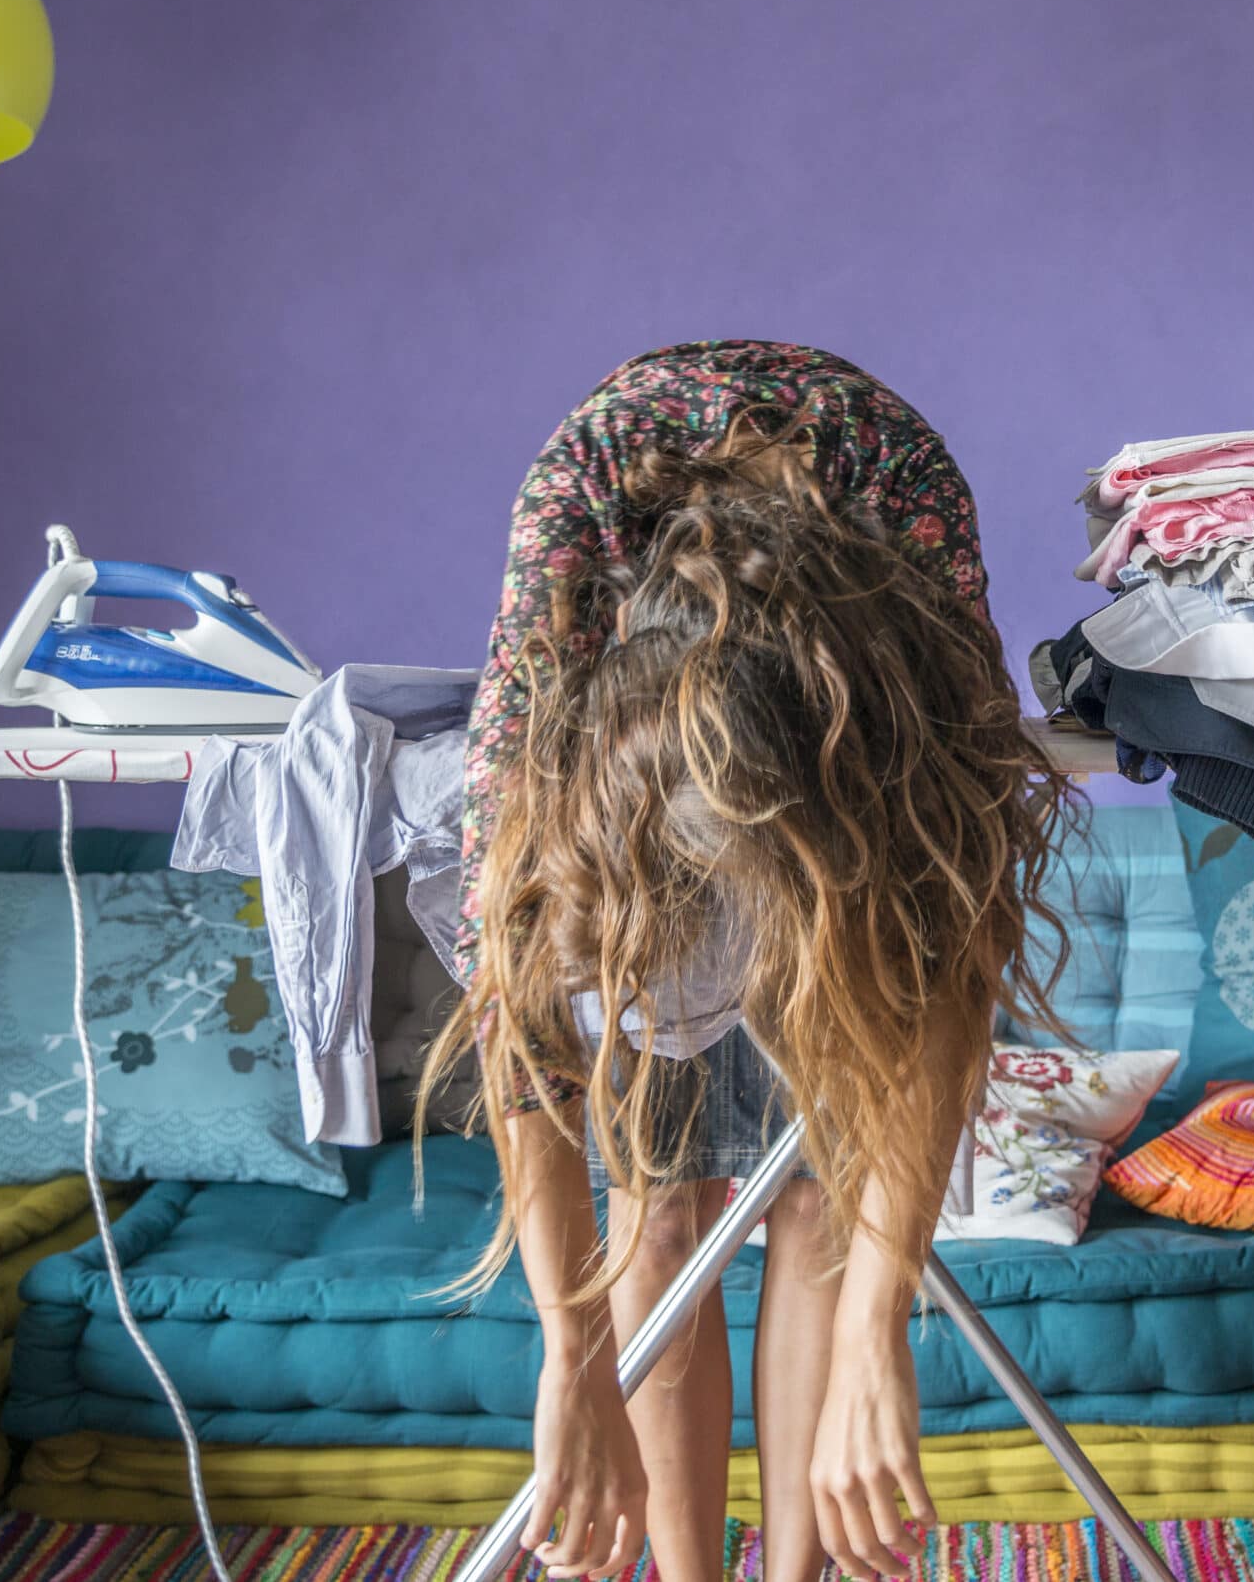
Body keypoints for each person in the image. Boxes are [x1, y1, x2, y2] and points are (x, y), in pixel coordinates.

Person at [418, 341, 1068, 1582]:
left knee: (817, 1202)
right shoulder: (558, 639)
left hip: (846, 765)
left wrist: (883, 1331)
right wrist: (571, 1357)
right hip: (633, 769)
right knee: (660, 1215)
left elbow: (953, 966)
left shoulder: (909, 601)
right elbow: (524, 1029)